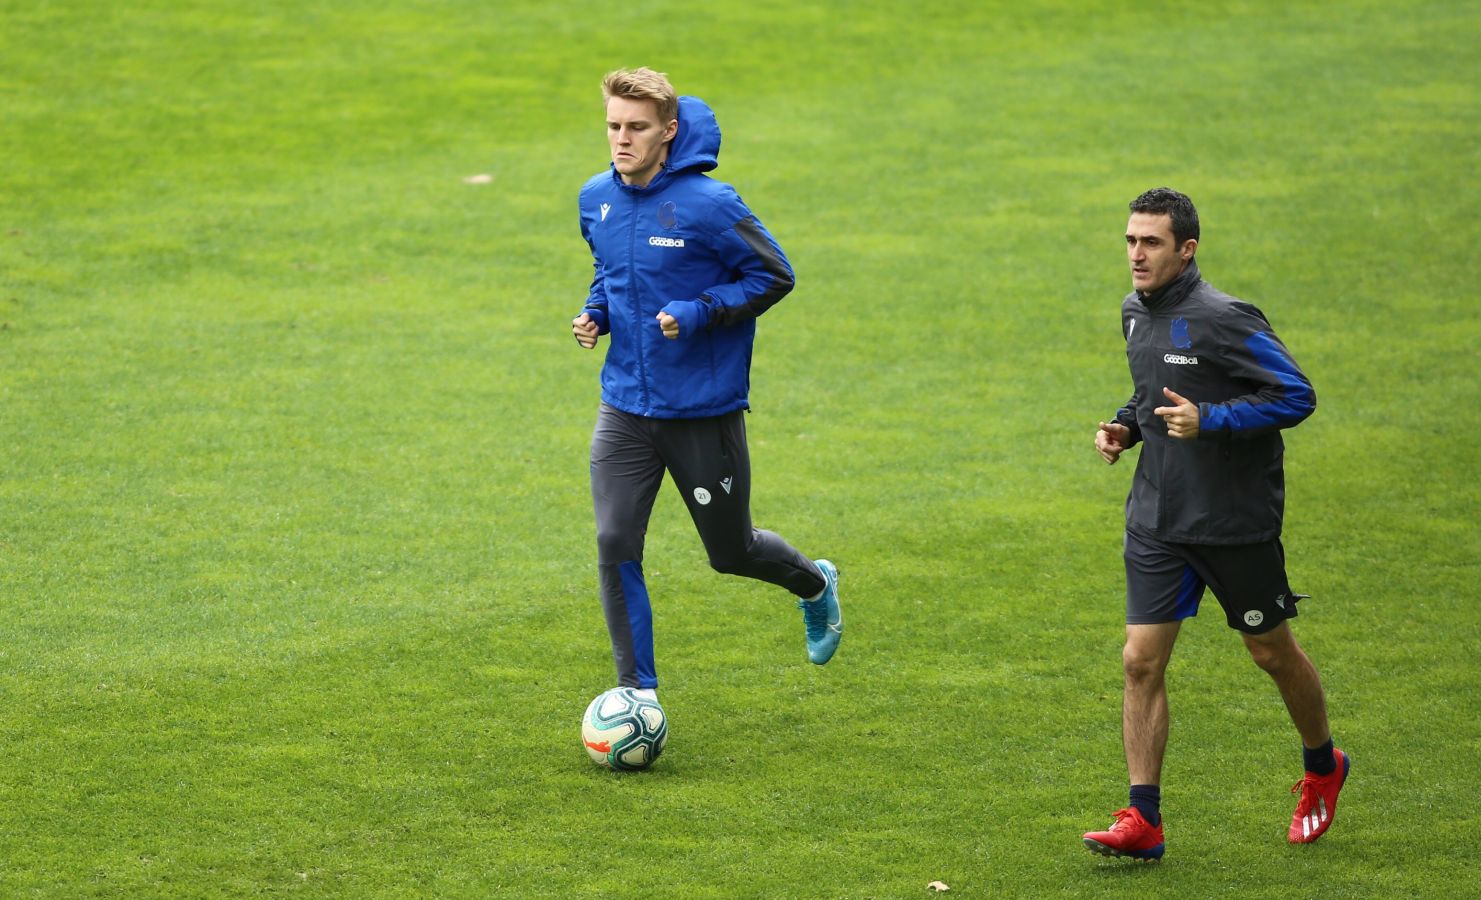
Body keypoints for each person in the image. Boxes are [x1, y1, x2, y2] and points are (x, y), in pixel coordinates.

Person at [1082, 188, 1349, 860]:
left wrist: (1212, 422)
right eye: (1129, 241)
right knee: (1139, 662)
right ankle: (1143, 819)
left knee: (1269, 652)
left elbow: (1295, 394)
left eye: (1150, 243)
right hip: (1156, 518)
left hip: (1231, 523)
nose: (1135, 255)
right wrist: (1125, 426)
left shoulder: (1225, 318)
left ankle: (1322, 767)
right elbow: (1154, 397)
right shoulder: (1132, 314)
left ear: (1186, 250)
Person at [571, 67, 841, 699]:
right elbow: (610, 270)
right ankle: (638, 693)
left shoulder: (711, 206)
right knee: (614, 544)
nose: (622, 139)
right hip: (625, 407)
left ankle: (815, 584)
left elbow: (774, 275)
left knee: (730, 552)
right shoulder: (595, 199)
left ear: (668, 131)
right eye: (613, 125)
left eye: (636, 128)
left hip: (700, 411)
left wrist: (698, 311)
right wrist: (597, 314)